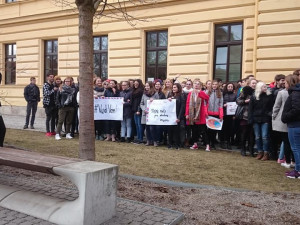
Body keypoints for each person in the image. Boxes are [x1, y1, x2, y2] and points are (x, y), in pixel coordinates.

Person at [272, 75, 295, 168]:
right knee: (293, 142)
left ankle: (287, 161)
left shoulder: (282, 93)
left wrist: (273, 116)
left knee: (286, 142)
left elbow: (277, 106)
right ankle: (293, 160)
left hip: (283, 119)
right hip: (293, 120)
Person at [248, 82, 273, 161]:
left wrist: (268, 114)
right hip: (256, 119)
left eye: (266, 87)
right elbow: (250, 109)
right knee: (258, 137)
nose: (266, 88)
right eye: (264, 87)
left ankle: (266, 153)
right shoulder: (254, 96)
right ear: (259, 88)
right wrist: (250, 119)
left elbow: (272, 107)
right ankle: (260, 152)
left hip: (265, 118)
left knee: (265, 136)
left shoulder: (269, 96)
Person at [281, 75, 300, 179]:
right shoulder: (295, 93)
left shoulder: (295, 94)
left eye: (286, 82)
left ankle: (298, 171)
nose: (284, 84)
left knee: (296, 148)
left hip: (295, 124)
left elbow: (296, 109)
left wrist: (286, 117)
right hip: (295, 124)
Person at [185, 79, 209, 150]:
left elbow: (207, 98)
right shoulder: (190, 93)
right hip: (192, 114)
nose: (196, 85)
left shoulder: (202, 92)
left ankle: (207, 145)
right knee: (194, 130)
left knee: (203, 131)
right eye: (195, 83)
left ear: (200, 86)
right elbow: (187, 104)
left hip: (200, 114)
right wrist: (187, 114)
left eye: (198, 84)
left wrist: (200, 93)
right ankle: (195, 144)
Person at [236, 86, 255, 156]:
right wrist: (245, 101)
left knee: (251, 134)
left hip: (252, 116)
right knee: (244, 133)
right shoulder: (243, 93)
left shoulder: (255, 93)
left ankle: (251, 149)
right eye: (253, 83)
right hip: (244, 116)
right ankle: (243, 148)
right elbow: (238, 101)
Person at [140, 81, 160, 146]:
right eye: (145, 86)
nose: (146, 87)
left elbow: (159, 103)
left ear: (151, 86)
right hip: (146, 113)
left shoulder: (155, 93)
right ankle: (148, 141)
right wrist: (144, 109)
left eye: (148, 86)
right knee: (147, 128)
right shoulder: (144, 94)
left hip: (153, 114)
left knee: (152, 128)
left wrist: (154, 100)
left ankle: (155, 141)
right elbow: (141, 103)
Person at [167, 83, 186, 149]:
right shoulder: (170, 95)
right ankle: (170, 144)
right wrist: (168, 100)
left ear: (178, 88)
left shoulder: (181, 95)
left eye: (175, 87)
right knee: (169, 130)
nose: (173, 89)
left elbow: (182, 107)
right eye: (173, 87)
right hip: (170, 116)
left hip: (177, 116)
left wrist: (179, 117)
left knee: (176, 131)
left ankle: (177, 144)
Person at [206, 80, 223, 150]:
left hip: (216, 114)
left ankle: (213, 143)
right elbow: (205, 103)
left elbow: (221, 105)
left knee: (214, 130)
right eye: (213, 84)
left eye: (216, 84)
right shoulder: (207, 92)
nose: (214, 86)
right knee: (209, 130)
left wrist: (221, 115)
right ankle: (208, 143)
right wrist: (206, 113)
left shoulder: (220, 93)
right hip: (209, 114)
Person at [220, 82, 236, 150]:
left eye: (231, 87)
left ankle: (228, 142)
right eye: (229, 86)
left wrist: (235, 114)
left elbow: (236, 105)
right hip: (224, 114)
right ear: (226, 87)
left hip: (231, 115)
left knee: (230, 129)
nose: (230, 88)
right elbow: (220, 102)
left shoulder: (235, 95)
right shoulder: (223, 94)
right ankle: (222, 142)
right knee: (223, 129)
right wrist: (223, 105)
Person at [131, 79, 144, 144]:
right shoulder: (134, 91)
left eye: (137, 83)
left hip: (138, 110)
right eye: (134, 83)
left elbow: (140, 101)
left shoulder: (141, 91)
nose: (135, 84)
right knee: (136, 125)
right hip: (134, 109)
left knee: (139, 125)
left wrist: (139, 110)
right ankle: (138, 138)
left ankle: (140, 138)